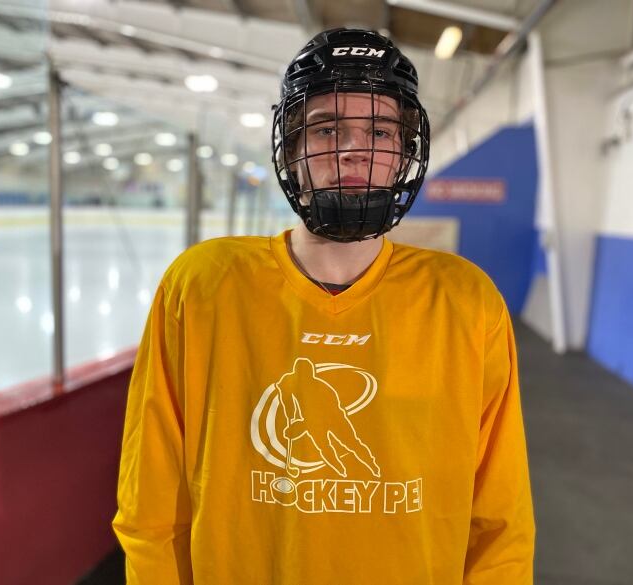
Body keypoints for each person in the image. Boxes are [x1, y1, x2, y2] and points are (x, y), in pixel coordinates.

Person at [113, 27, 535, 584]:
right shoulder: (202, 286)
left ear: (405, 151)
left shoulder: (465, 299)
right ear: (290, 148)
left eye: (381, 129)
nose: (355, 148)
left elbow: (500, 518)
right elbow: (150, 501)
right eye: (327, 127)